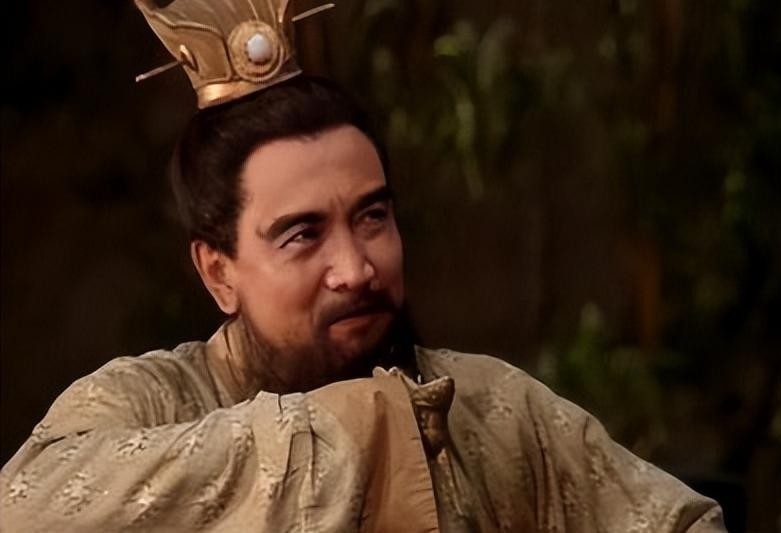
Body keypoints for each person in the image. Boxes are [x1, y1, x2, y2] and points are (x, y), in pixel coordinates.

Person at [0, 0, 727, 531]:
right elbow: (24, 506)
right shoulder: (150, 402)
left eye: (373, 216)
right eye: (302, 235)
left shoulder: (489, 410)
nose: (355, 267)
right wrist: (348, 428)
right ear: (219, 272)